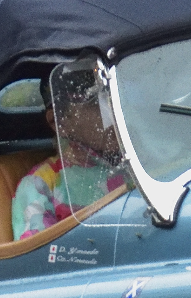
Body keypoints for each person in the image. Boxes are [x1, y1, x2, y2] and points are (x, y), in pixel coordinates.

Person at [11, 60, 128, 240]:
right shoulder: (40, 184)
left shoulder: (148, 162)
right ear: (58, 122)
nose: (111, 112)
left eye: (114, 98)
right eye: (94, 103)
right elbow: (42, 255)